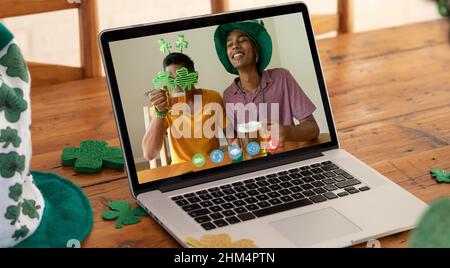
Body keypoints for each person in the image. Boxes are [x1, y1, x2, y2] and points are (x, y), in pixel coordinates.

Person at [214, 20, 320, 149]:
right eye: (229, 44)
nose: (234, 46)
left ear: (256, 50)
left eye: (242, 40)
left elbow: (313, 128)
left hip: (288, 158)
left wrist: (287, 132)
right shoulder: (228, 96)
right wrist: (234, 144)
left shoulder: (282, 77)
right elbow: (232, 141)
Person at [142, 52, 225, 164]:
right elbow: (149, 154)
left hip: (211, 164)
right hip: (181, 171)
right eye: (171, 80)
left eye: (181, 78)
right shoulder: (166, 105)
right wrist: (160, 112)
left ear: (194, 77)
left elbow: (230, 135)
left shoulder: (213, 97)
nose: (176, 86)